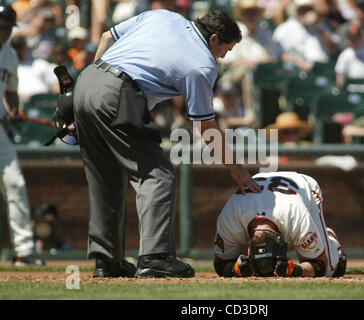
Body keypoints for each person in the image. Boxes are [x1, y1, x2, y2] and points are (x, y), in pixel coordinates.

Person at [73, 9, 261, 278]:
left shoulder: (163, 16)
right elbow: (207, 128)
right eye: (226, 50)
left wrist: (92, 89)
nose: (223, 56)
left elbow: (106, 37)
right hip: (119, 93)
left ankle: (107, 260)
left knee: (106, 175)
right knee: (158, 176)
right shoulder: (202, 64)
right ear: (214, 39)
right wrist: (237, 169)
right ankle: (155, 257)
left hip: (88, 80)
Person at [213, 171, 346, 278]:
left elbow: (321, 264)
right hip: (266, 186)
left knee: (330, 270)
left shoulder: (297, 217)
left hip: (305, 187)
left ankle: (330, 239)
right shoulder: (229, 220)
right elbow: (220, 263)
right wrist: (236, 268)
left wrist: (295, 270)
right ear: (248, 250)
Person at [0, 5, 44, 266]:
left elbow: (10, 89)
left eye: (7, 27)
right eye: (1, 26)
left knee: (15, 183)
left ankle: (24, 251)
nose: (4, 32)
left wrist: (14, 109)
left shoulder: (9, 55)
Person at [273, 0, 340, 72]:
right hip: (299, 71)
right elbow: (279, 54)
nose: (307, 13)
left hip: (324, 68)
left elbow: (334, 50)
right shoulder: (285, 28)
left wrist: (318, 27)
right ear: (297, 11)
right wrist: (300, 64)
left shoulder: (321, 26)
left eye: (309, 9)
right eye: (303, 10)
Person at [10, 35, 59, 102]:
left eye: (20, 47)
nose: (17, 51)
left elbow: (55, 86)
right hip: (21, 102)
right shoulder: (8, 67)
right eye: (15, 48)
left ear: (25, 48)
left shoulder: (39, 63)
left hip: (44, 101)